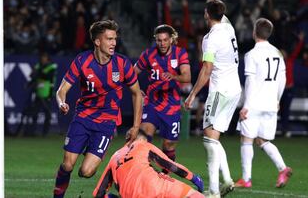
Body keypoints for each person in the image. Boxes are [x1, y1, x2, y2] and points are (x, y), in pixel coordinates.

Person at [53, 20, 143, 198]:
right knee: (68, 165)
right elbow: (61, 90)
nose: (114, 43)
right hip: (83, 118)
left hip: (106, 123)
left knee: (86, 171)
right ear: (97, 41)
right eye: (109, 39)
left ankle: (98, 171)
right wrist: (62, 103)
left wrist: (135, 126)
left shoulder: (122, 64)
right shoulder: (82, 60)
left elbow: (137, 94)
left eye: (114, 39)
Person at [184, 0, 241, 197]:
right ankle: (226, 180)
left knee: (209, 140)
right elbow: (216, 6)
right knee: (213, 138)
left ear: (206, 14)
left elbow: (207, 69)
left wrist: (192, 94)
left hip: (220, 91)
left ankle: (214, 191)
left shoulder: (210, 39)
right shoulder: (228, 27)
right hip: (235, 90)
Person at [235, 18, 292, 189]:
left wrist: (246, 106)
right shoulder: (278, 54)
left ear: (254, 32)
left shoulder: (251, 55)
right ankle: (282, 168)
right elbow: (283, 79)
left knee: (246, 139)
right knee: (262, 140)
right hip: (270, 104)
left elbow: (251, 82)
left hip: (255, 104)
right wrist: (277, 100)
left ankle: (246, 179)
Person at [134, 24, 191, 164]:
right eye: (159, 40)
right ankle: (141, 170)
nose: (162, 43)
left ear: (171, 40)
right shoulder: (148, 54)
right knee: (142, 137)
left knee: (169, 145)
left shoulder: (180, 53)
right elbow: (131, 73)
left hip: (171, 106)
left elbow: (187, 76)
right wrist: (136, 89)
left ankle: (166, 174)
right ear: (155, 40)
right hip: (152, 103)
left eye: (165, 40)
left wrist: (174, 76)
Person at [92, 129, 204, 198]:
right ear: (141, 138)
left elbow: (99, 193)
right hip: (154, 187)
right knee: (195, 195)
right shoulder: (142, 144)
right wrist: (193, 178)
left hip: (129, 195)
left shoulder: (114, 157)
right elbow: (170, 165)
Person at [15, 52, 57, 136]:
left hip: (47, 94)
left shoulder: (52, 67)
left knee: (47, 114)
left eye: (44, 57)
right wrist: (29, 83)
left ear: (48, 58)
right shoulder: (38, 66)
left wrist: (37, 72)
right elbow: (32, 76)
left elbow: (47, 76)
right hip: (38, 93)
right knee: (34, 113)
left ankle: (45, 133)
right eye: (42, 57)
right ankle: (31, 131)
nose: (43, 59)